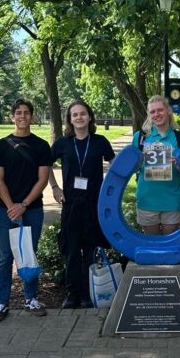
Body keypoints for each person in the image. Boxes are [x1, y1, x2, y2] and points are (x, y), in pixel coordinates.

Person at [0, 98, 52, 321]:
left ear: (32, 117)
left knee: (29, 254)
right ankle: (2, 302)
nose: (22, 116)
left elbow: (42, 179)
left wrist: (24, 205)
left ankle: (31, 298)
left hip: (33, 209)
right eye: (18, 112)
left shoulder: (41, 146)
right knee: (5, 257)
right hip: (7, 211)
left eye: (27, 112)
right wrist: (12, 207)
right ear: (12, 117)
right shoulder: (1, 146)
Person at [49, 100, 115, 309]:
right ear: (69, 119)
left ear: (89, 116)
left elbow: (114, 165)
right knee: (71, 250)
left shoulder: (100, 141)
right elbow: (45, 165)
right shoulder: (63, 143)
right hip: (71, 205)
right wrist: (55, 187)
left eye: (83, 114)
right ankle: (72, 293)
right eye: (75, 114)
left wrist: (110, 192)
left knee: (90, 250)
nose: (79, 117)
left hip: (94, 204)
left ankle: (87, 293)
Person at [132, 95, 180, 234]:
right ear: (149, 115)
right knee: (153, 247)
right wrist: (139, 161)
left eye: (160, 110)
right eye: (152, 112)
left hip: (171, 200)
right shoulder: (140, 137)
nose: (156, 114)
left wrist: (178, 165)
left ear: (168, 110)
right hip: (147, 200)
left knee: (169, 246)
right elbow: (132, 168)